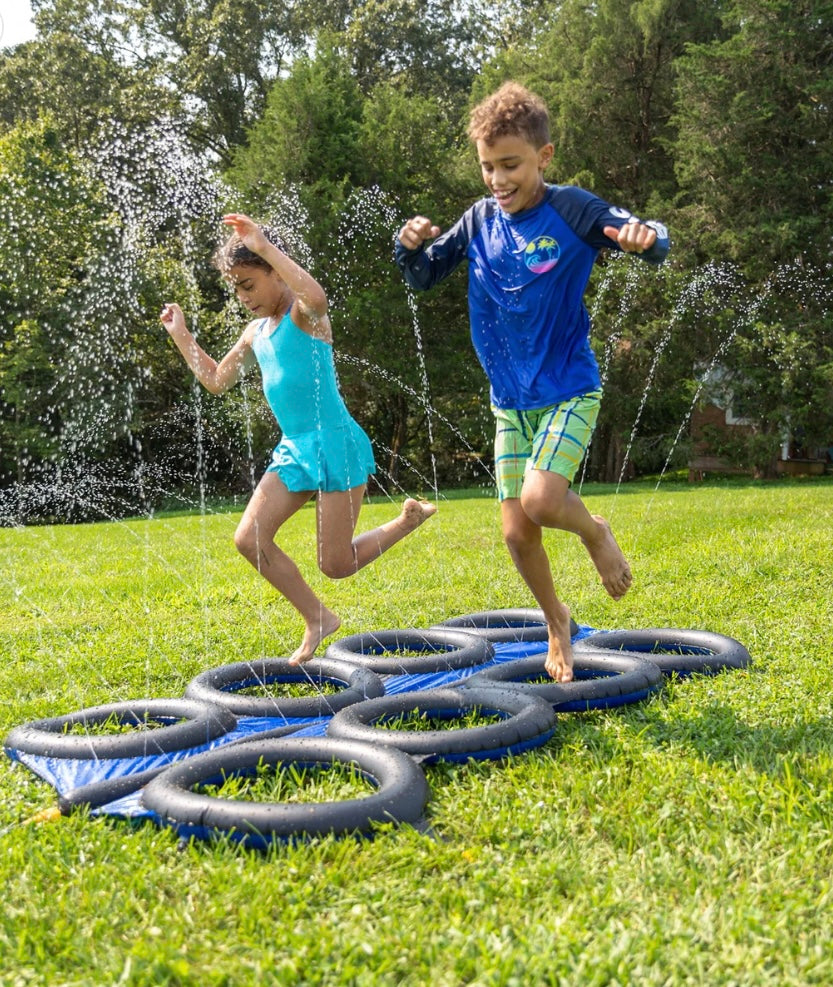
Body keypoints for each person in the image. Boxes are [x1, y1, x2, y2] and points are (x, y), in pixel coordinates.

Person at [395, 81, 669, 682]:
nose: (498, 179)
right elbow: (422, 275)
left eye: (511, 165)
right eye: (488, 167)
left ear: (543, 158)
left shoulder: (571, 209)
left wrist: (646, 240)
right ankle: (555, 621)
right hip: (509, 402)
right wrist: (408, 245)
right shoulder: (478, 221)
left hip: (568, 387)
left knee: (543, 501)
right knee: (518, 534)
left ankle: (596, 534)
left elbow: (642, 234)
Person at [162, 212, 436, 664]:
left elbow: (316, 294)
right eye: (236, 289)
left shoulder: (303, 315)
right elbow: (215, 380)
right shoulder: (255, 333)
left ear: (274, 269)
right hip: (294, 450)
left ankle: (406, 522)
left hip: (335, 445)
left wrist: (264, 244)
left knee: (336, 564)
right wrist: (182, 335)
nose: (243, 297)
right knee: (248, 539)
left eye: (249, 284)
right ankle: (318, 618)